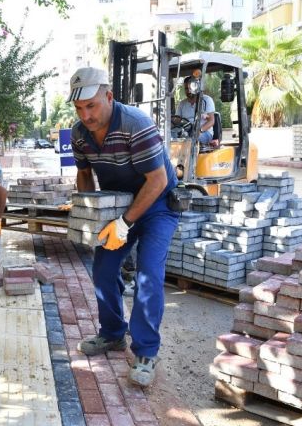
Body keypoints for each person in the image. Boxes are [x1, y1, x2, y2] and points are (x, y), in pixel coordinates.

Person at [67, 66, 180, 387]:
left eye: (91, 106)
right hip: (118, 205)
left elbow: (157, 180)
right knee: (103, 268)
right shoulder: (79, 134)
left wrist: (125, 223)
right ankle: (114, 334)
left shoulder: (136, 125)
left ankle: (145, 351)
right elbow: (85, 174)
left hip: (157, 204)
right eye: (79, 108)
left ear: (108, 96)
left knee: (148, 274)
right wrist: (89, 216)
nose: (85, 115)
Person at [175, 75, 217, 147]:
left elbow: (211, 121)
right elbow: (177, 120)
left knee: (192, 139)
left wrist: (200, 130)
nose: (188, 91)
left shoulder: (206, 100)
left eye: (190, 88)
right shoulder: (182, 104)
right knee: (170, 138)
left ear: (196, 87)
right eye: (186, 89)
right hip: (187, 133)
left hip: (204, 132)